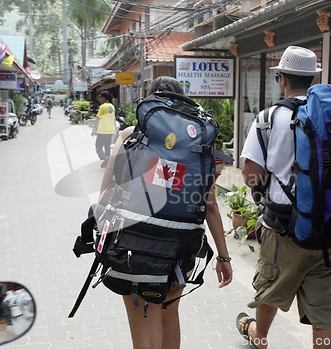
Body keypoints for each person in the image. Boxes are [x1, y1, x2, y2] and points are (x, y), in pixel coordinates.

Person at [99, 76, 233, 349]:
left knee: (142, 317)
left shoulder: (129, 135)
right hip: (181, 245)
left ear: (149, 104)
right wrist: (223, 256)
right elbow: (209, 204)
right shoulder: (198, 146)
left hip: (134, 244)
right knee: (169, 313)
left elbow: (105, 191)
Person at [237, 46, 331, 349]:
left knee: (271, 287)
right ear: (312, 78)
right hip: (330, 230)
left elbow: (250, 173)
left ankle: (260, 335)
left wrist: (265, 192)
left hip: (284, 228)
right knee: (323, 315)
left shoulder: (269, 118)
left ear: (281, 78)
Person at [91, 90, 116, 168]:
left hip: (102, 130)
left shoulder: (102, 107)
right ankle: (108, 163)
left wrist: (94, 129)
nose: (99, 99)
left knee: (98, 147)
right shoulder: (112, 106)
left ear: (104, 98)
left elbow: (98, 119)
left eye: (100, 97)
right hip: (110, 130)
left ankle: (105, 159)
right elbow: (114, 119)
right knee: (107, 146)